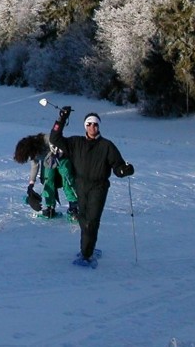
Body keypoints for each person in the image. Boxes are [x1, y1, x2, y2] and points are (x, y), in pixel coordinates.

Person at [49, 107, 134, 268]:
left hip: (99, 187)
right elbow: (55, 138)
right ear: (85, 126)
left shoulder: (107, 146)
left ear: (99, 126)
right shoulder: (76, 143)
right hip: (80, 186)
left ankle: (87, 255)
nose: (92, 127)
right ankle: (88, 247)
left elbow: (118, 166)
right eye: (89, 124)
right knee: (83, 219)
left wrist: (124, 170)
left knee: (91, 221)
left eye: (95, 124)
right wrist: (61, 120)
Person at [13, 133, 78, 219]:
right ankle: (49, 208)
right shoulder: (32, 154)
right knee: (48, 181)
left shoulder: (44, 139)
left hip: (62, 158)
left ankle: (73, 207)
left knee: (67, 180)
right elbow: (34, 166)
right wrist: (31, 185)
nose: (30, 158)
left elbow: (56, 139)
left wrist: (55, 150)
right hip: (48, 163)